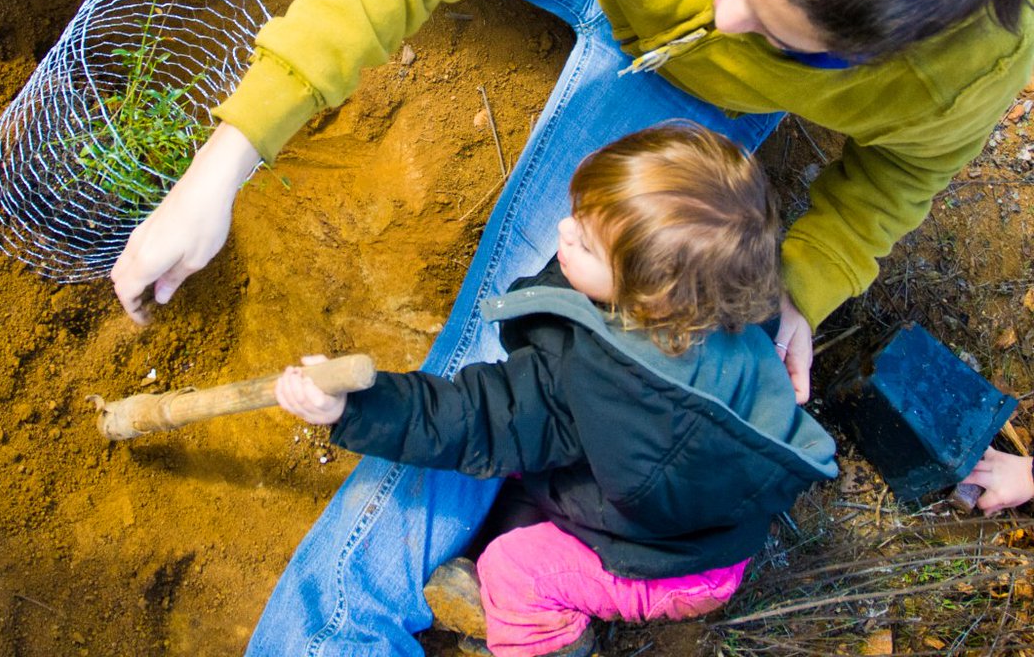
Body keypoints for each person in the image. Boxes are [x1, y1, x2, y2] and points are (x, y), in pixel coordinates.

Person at [0, 0, 1033, 654]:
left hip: (673, 115)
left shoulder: (961, 67)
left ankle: (326, 630)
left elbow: (892, 187)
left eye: (776, 38)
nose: (719, 18)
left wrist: (800, 293)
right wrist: (226, 158)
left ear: (877, 54)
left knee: (495, 375)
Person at [275, 123, 838, 657]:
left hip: (673, 566)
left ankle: (550, 637)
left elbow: (475, 417)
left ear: (652, 297)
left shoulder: (595, 379)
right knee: (521, 502)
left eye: (587, 242)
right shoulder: (729, 299)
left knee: (514, 567)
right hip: (709, 532)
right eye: (576, 215)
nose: (564, 231)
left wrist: (353, 408)